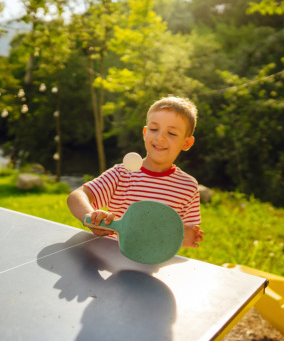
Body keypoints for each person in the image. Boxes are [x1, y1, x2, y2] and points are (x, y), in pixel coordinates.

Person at [67, 96, 204, 248]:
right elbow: (76, 196)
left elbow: (182, 235)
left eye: (171, 133)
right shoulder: (122, 174)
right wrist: (90, 216)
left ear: (187, 143)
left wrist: (183, 239)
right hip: (112, 257)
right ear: (145, 133)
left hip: (152, 265)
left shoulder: (187, 187)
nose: (160, 137)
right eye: (154, 129)